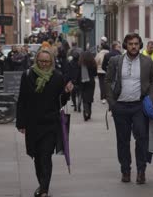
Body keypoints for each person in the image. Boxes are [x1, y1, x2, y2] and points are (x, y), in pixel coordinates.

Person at [16, 48, 74, 197]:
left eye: (47, 62)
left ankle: (44, 190)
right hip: (33, 123)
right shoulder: (28, 75)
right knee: (36, 156)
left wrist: (67, 92)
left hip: (50, 123)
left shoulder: (57, 77)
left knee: (45, 155)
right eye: (41, 61)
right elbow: (22, 100)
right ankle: (42, 184)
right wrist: (21, 123)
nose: (44, 64)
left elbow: (61, 101)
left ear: (51, 62)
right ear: (36, 60)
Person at [105, 33, 153, 184]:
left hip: (139, 106)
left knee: (142, 137)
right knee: (123, 140)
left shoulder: (147, 62)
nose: (133, 46)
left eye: (136, 43)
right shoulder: (115, 61)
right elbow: (107, 80)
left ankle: (141, 170)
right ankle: (125, 170)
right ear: (125, 45)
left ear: (140, 45)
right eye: (130, 44)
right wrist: (111, 102)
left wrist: (151, 98)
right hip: (120, 107)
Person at [78, 51, 97, 121]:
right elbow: (95, 74)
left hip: (83, 82)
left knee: (84, 98)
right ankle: (89, 112)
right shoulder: (93, 64)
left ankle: (86, 112)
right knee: (90, 98)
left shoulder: (80, 64)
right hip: (91, 82)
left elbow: (78, 74)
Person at [142, 41, 153, 105]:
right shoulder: (142, 53)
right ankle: (148, 104)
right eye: (150, 48)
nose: (151, 49)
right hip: (146, 77)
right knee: (146, 91)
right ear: (147, 47)